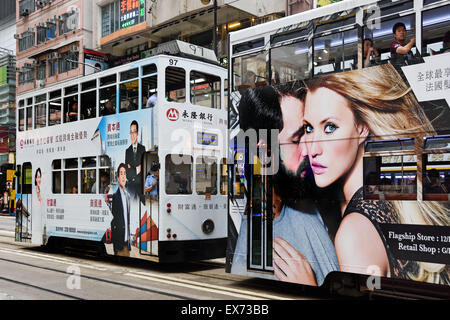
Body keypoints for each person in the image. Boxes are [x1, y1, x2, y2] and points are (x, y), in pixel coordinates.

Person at [280, 64, 449, 285]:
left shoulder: (354, 233)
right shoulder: (394, 196)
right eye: (309, 128)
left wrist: (309, 288)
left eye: (330, 127)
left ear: (362, 128)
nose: (313, 149)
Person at [231, 82, 339, 286]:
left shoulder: (301, 195)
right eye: (297, 139)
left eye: (307, 131)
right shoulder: (254, 257)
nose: (309, 150)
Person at [110, 163, 131, 257]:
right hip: (120, 244)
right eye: (121, 173)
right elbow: (113, 221)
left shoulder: (128, 196)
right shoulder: (115, 196)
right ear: (118, 178)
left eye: (125, 173)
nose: (123, 176)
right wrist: (115, 245)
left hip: (127, 243)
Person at [125, 120, 146, 198]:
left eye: (134, 132)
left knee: (143, 207)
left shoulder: (142, 148)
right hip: (130, 187)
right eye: (131, 132)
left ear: (137, 133)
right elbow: (127, 172)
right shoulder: (127, 151)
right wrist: (137, 169)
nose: (132, 135)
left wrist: (132, 170)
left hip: (140, 185)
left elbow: (143, 167)